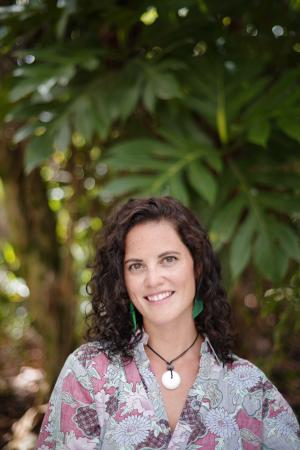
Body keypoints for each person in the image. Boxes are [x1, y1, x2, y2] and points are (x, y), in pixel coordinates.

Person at [36, 196, 299, 450]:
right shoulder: (88, 372)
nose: (153, 279)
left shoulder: (248, 385)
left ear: (196, 266)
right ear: (122, 280)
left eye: (168, 259)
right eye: (136, 266)